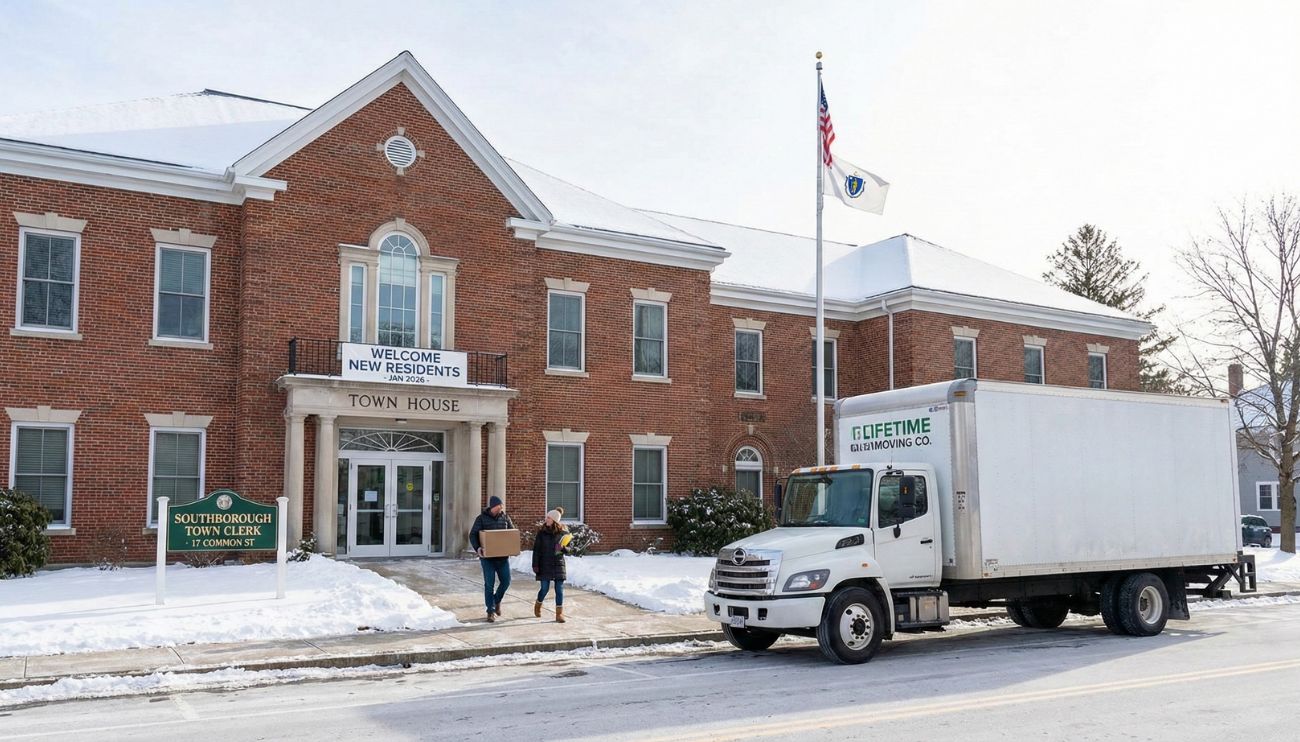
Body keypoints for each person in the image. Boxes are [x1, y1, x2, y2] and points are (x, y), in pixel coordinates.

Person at [469, 495, 515, 623]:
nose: (501, 508)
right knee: (489, 584)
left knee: (506, 581)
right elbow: (473, 534)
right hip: (487, 558)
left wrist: (512, 547)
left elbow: (512, 534)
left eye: (502, 506)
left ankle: (496, 601)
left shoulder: (505, 518)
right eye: (499, 506)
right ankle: (490, 611)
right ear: (493, 506)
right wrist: (478, 548)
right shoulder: (481, 519)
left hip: (502, 557)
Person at [532, 506, 569, 623]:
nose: (546, 519)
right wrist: (535, 565)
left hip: (558, 564)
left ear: (554, 520)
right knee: (544, 589)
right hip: (544, 564)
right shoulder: (541, 533)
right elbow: (536, 550)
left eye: (548, 518)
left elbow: (569, 549)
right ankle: (538, 604)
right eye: (546, 517)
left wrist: (563, 548)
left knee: (559, 589)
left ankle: (559, 614)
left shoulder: (563, 533)